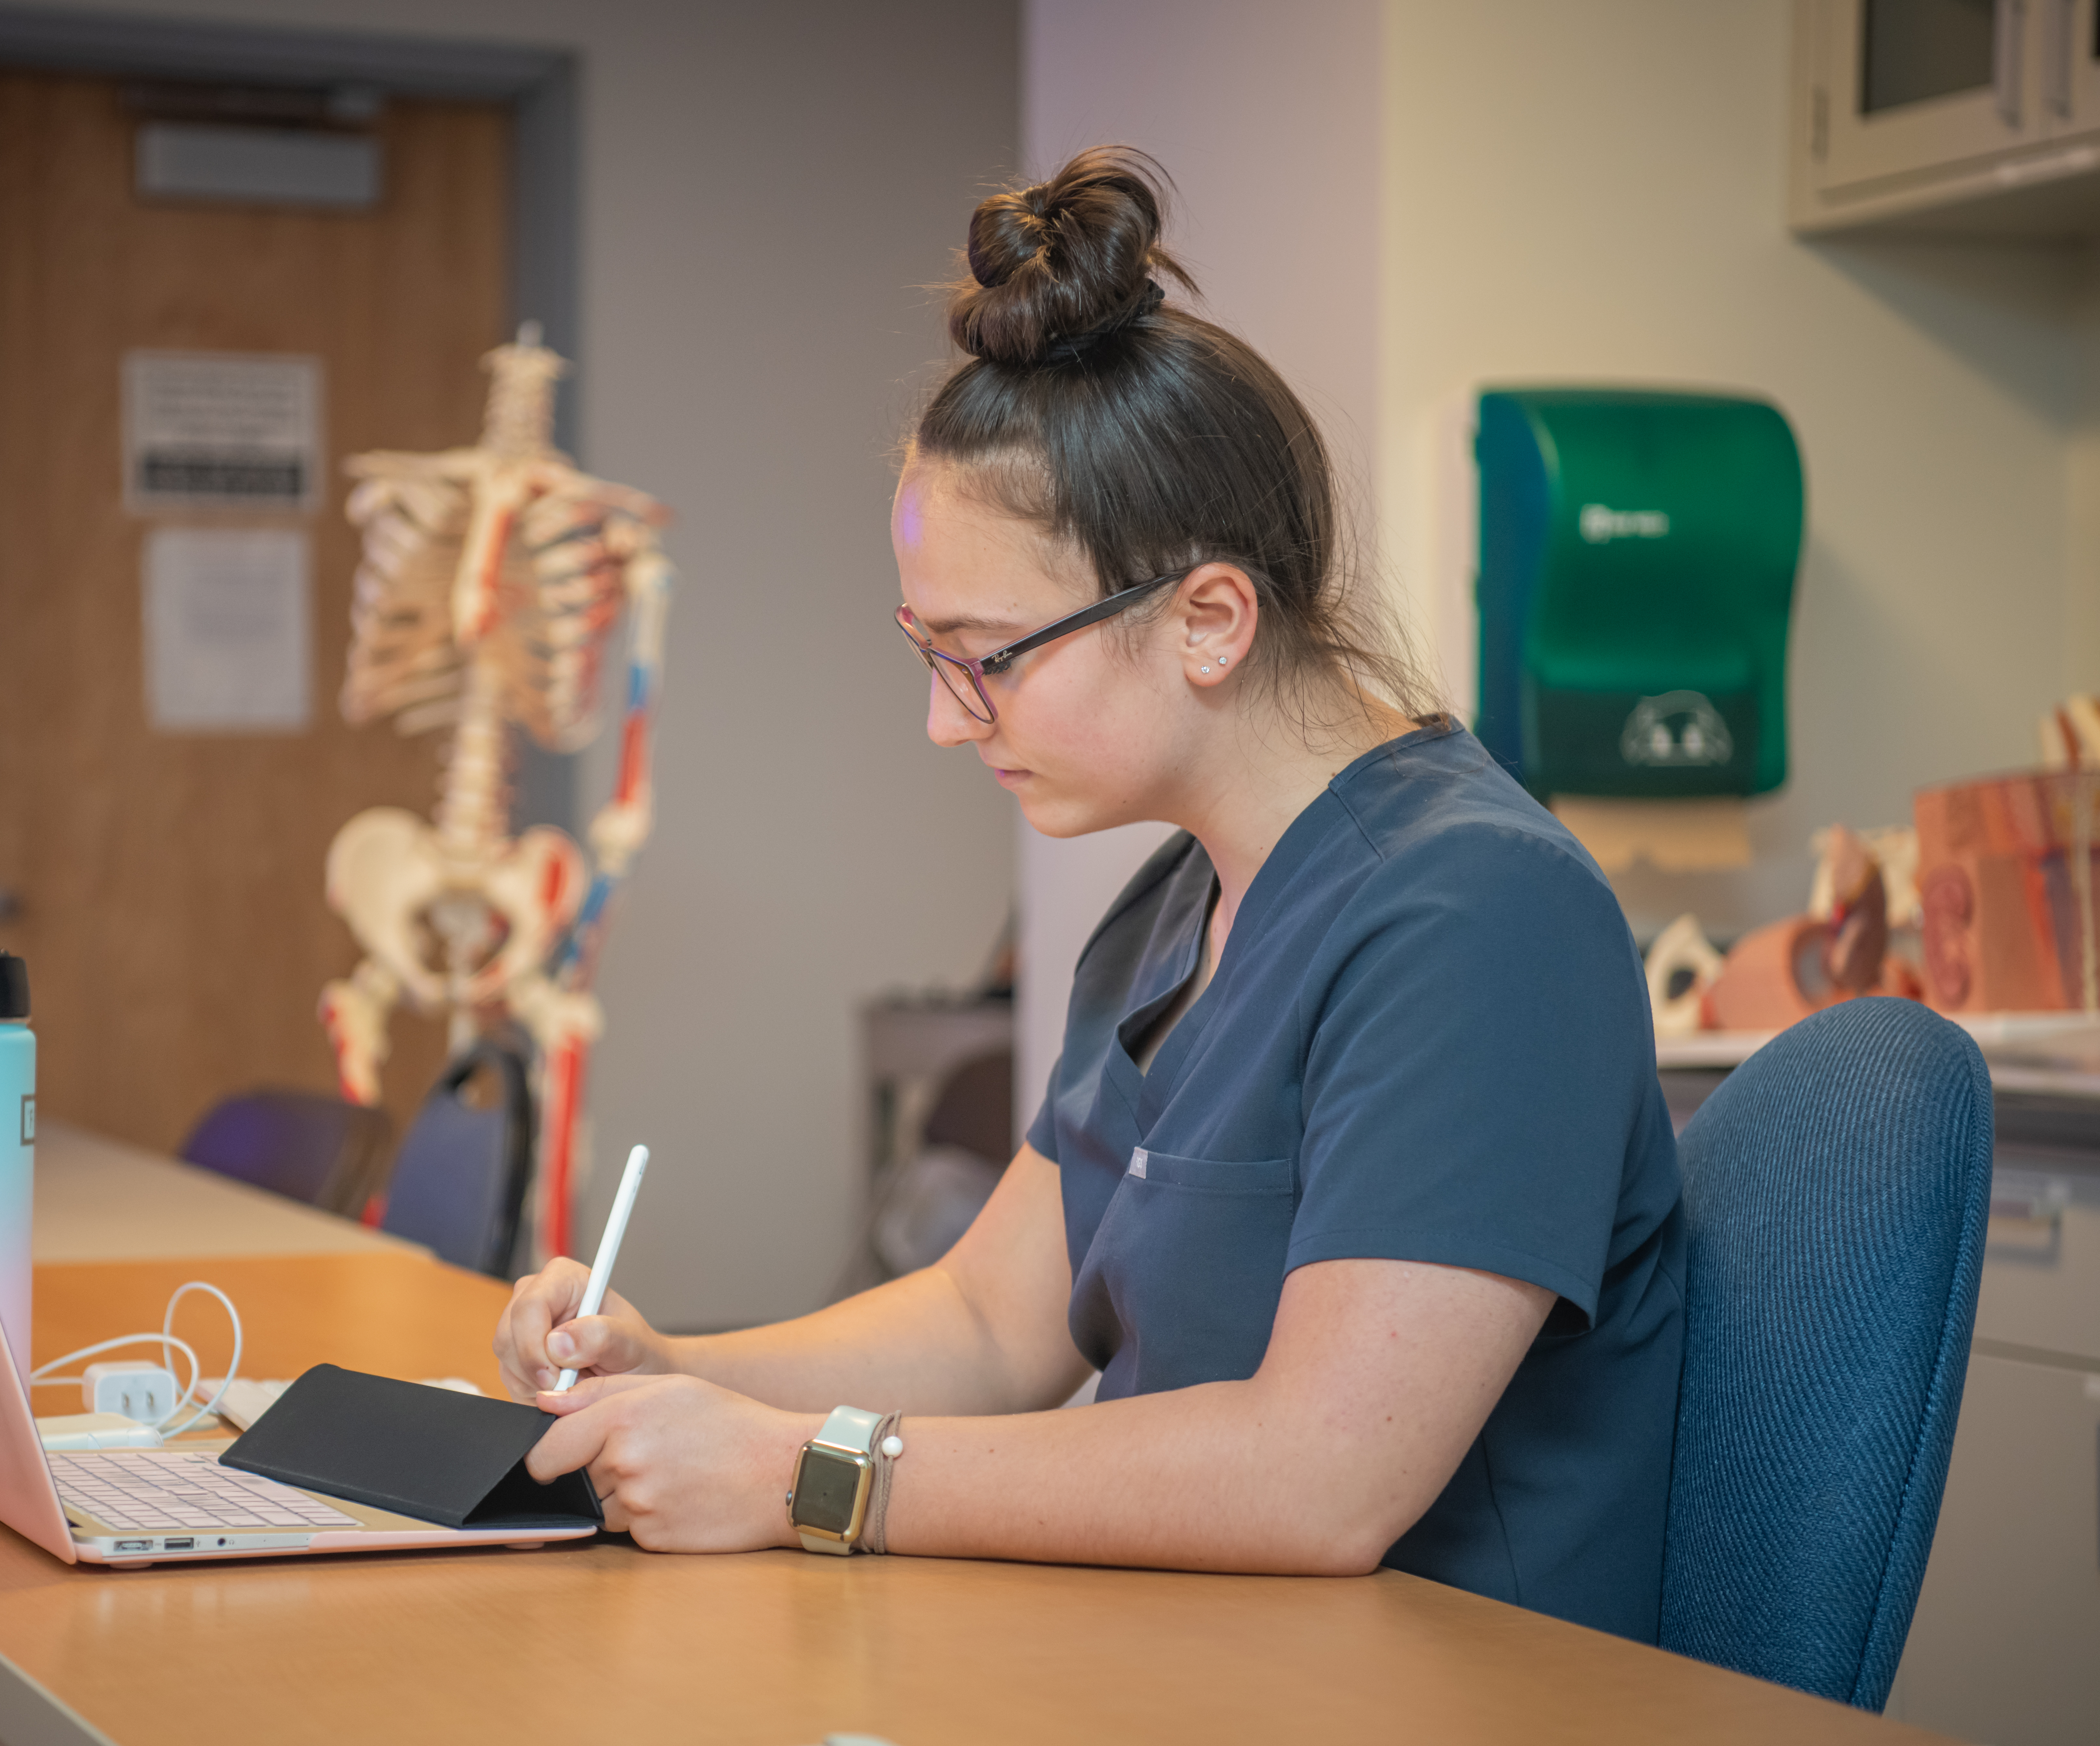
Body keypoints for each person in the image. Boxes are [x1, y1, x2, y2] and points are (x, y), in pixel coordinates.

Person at [497, 146, 1684, 1642]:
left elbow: (1323, 1479)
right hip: (1196, 1655)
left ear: (1205, 619)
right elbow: (992, 1323)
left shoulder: (1479, 918)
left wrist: (809, 1472)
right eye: (926, 652)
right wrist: (689, 1372)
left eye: (985, 657)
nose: (944, 720)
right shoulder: (1170, 911)